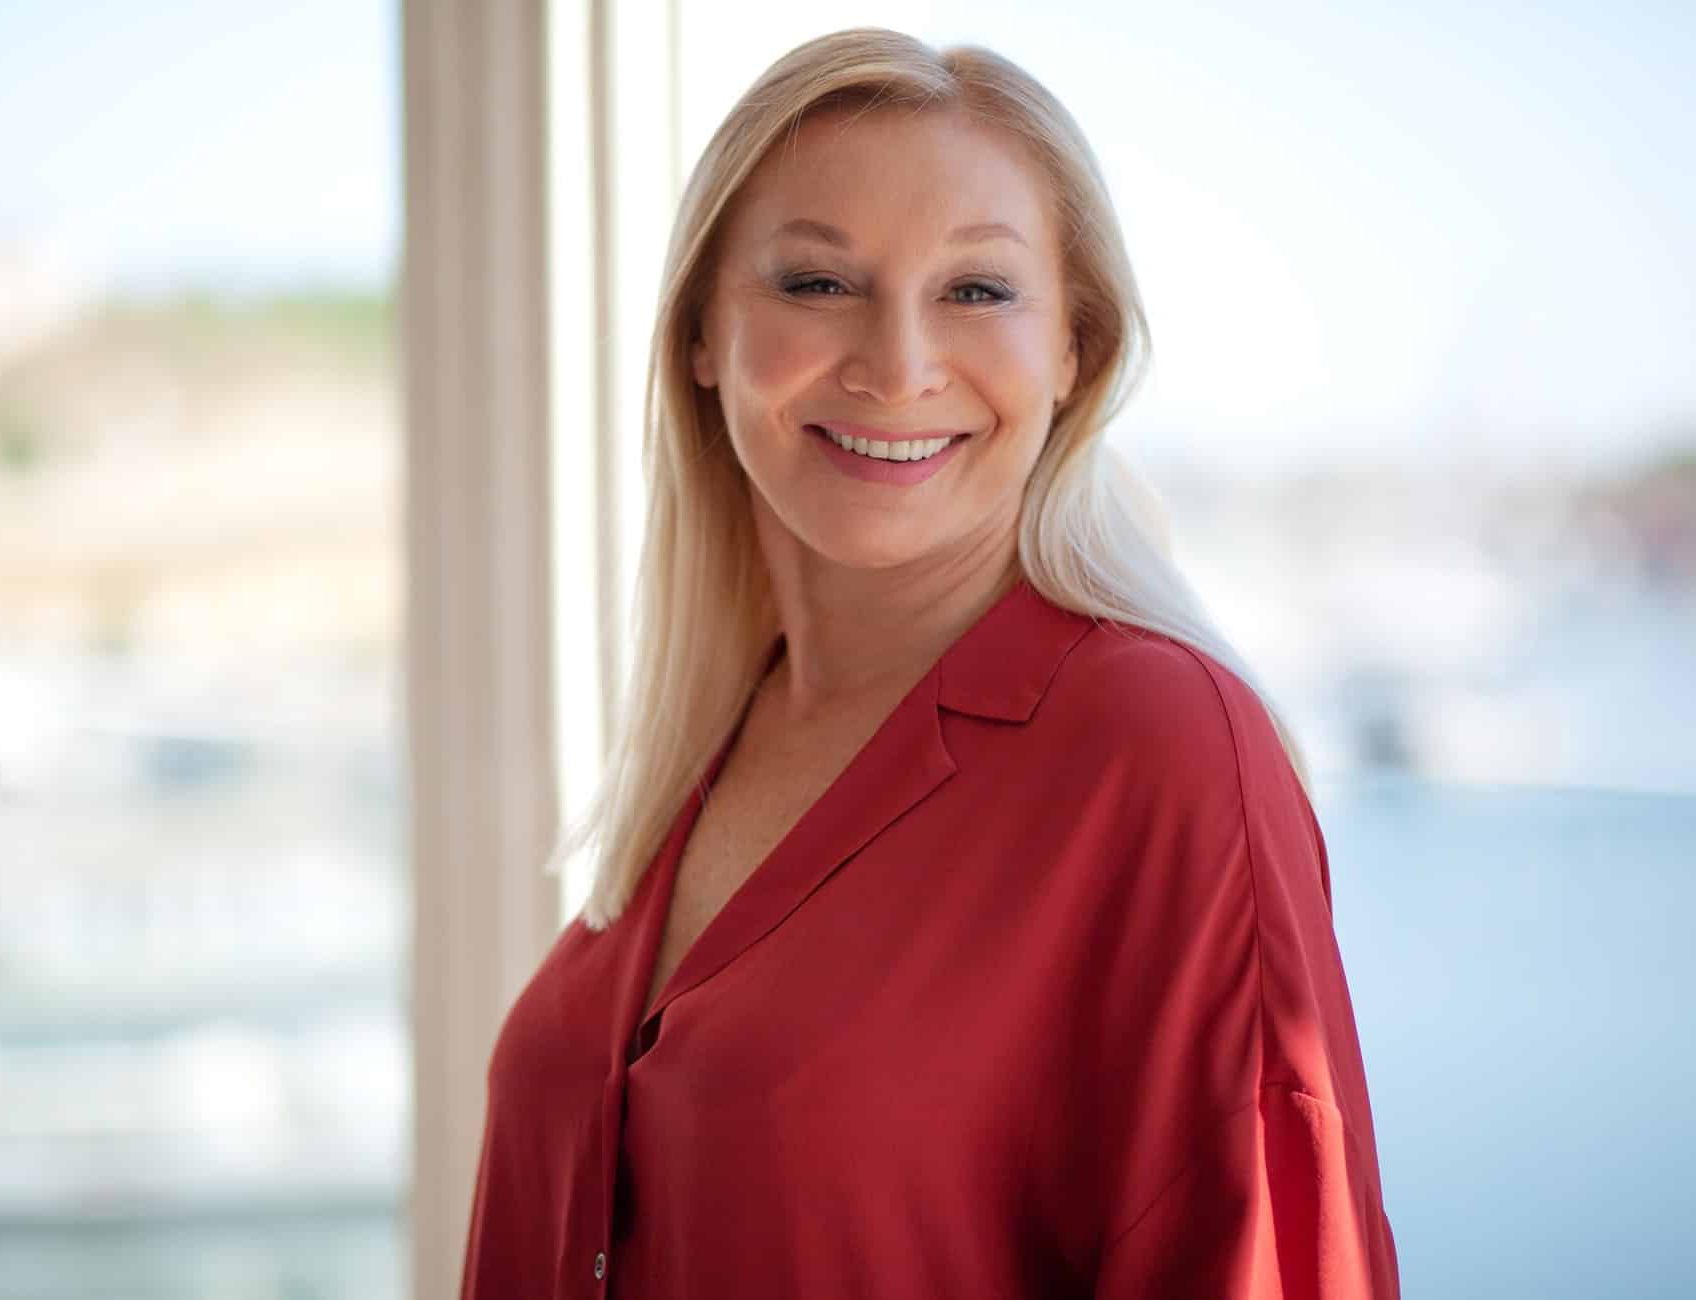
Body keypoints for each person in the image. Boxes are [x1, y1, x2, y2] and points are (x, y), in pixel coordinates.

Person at [460, 26, 1400, 1299]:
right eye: (816, 284)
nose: (897, 367)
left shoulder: (1161, 748)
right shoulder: (718, 737)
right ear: (700, 335)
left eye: (976, 290)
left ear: (1074, 351)